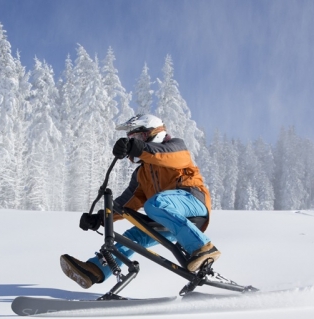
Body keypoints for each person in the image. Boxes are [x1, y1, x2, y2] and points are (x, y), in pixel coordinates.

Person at [60, 114, 221, 289]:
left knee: (155, 203)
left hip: (192, 203)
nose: (132, 142)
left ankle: (203, 247)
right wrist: (101, 218)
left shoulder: (175, 147)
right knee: (133, 236)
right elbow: (126, 203)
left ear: (153, 133)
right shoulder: (141, 174)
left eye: (136, 137)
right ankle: (95, 270)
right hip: (169, 218)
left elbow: (167, 155)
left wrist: (140, 148)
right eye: (130, 139)